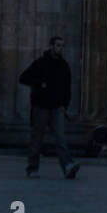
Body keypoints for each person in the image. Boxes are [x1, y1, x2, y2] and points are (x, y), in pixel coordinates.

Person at [19, 36, 80, 180]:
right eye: (58, 45)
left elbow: (67, 88)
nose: (60, 48)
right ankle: (32, 168)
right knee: (37, 138)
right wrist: (40, 84)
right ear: (51, 46)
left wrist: (65, 105)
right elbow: (23, 78)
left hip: (57, 108)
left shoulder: (64, 66)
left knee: (60, 138)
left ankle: (67, 166)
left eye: (62, 46)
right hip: (41, 107)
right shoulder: (40, 63)